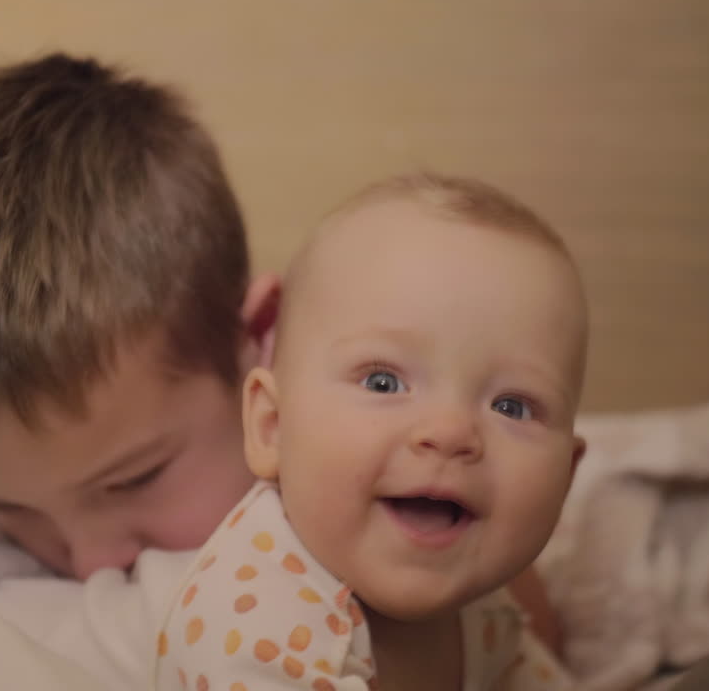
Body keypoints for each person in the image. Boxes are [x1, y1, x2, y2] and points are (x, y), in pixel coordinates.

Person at [0, 52, 562, 651]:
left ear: (260, 345)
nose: (89, 563)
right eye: (8, 509)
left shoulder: (368, 495)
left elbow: (519, 631)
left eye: (135, 479)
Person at [154, 173, 587, 690]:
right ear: (273, 427)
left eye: (512, 407)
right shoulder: (251, 628)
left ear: (566, 477)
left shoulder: (487, 611)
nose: (449, 431)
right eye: (384, 382)